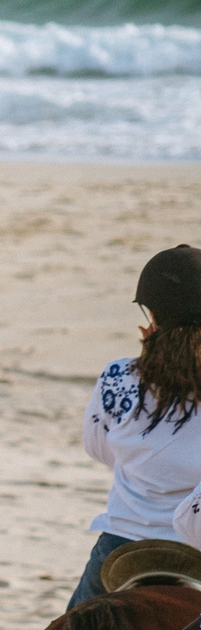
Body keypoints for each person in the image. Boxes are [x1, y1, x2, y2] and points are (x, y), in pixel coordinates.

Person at [72, 243, 201, 608]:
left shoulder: (119, 376)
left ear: (152, 318)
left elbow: (99, 448)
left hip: (124, 543)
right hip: (198, 547)